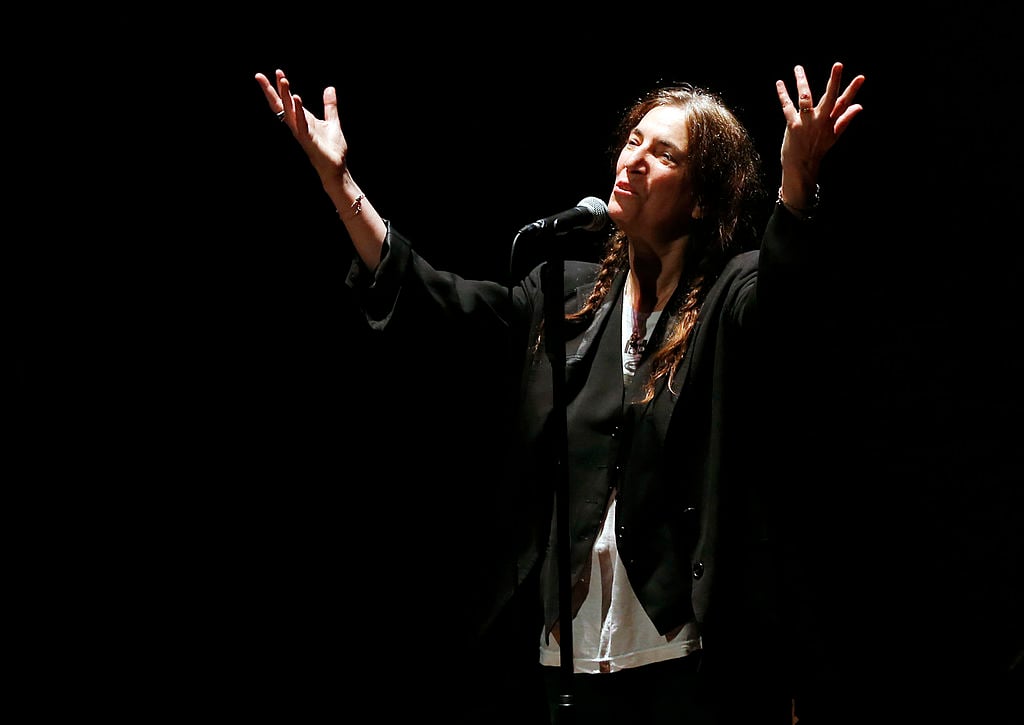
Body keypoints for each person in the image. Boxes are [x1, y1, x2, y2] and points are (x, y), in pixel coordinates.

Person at [255, 61, 865, 724]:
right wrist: (338, 181)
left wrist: (798, 184)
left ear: (699, 198)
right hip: (570, 661)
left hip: (687, 662)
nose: (634, 159)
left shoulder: (729, 292)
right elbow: (439, 302)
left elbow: (785, 299)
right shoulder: (565, 300)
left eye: (664, 154)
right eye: (634, 141)